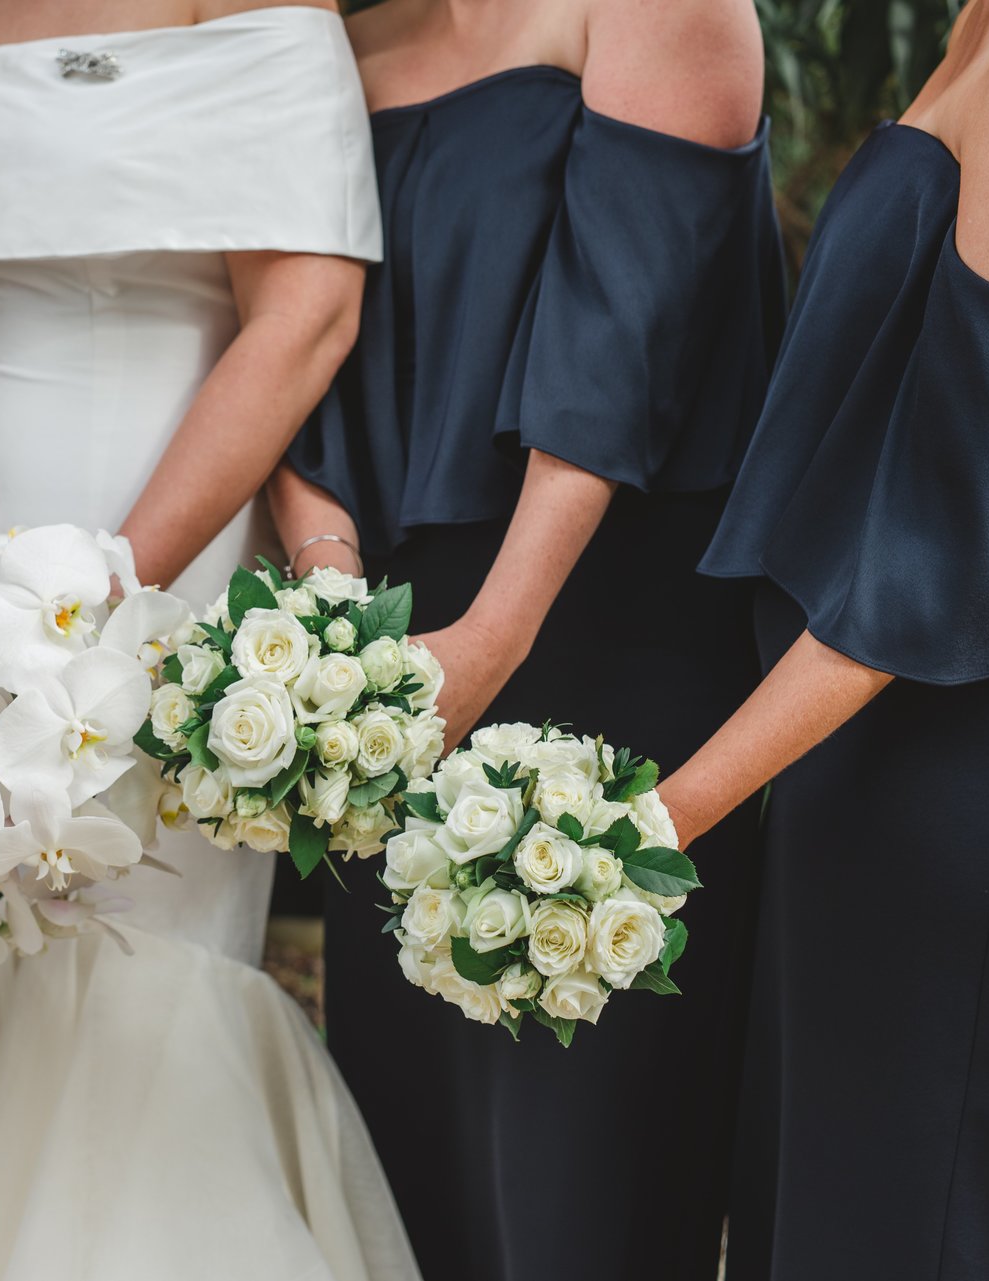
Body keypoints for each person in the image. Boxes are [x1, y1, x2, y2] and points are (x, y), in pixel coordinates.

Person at [0, 1, 419, 1277]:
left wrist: (105, 603)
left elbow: (305, 317)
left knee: (132, 931)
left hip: (181, 554)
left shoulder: (264, 8)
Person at [270, 0, 783, 1276]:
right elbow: (290, 337)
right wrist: (334, 615)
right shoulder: (335, 47)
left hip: (607, 620)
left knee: (580, 1161)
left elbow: (621, 333)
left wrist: (491, 637)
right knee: (412, 1142)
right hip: (391, 657)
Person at [660, 2, 989, 1275]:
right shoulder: (986, 22)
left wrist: (660, 822)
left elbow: (945, 527)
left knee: (911, 1216)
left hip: (959, 768)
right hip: (854, 762)